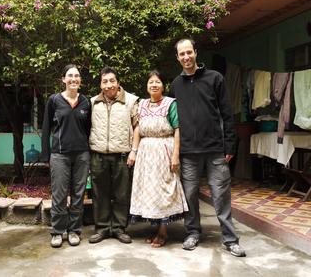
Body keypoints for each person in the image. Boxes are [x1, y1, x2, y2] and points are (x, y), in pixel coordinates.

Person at [170, 38, 246, 257]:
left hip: (215, 150)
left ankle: (230, 239)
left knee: (221, 195)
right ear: (178, 57)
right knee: (190, 194)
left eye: (189, 52)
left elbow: (227, 113)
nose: (186, 57)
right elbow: (174, 121)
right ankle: (193, 232)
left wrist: (230, 144)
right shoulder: (176, 84)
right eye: (181, 54)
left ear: (195, 52)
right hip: (188, 152)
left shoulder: (215, 78)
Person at [127, 70, 188, 248]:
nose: (154, 85)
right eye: (151, 82)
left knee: (163, 190)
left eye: (157, 82)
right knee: (149, 191)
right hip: (146, 154)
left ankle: (163, 232)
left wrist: (176, 155)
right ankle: (156, 229)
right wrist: (134, 151)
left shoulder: (171, 104)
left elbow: (177, 129)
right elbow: (137, 129)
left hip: (164, 151)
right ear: (147, 86)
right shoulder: (142, 104)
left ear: (163, 85)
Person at [42, 64, 91, 248]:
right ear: (63, 79)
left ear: (80, 80)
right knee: (59, 195)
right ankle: (57, 231)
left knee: (78, 195)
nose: (73, 79)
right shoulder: (54, 101)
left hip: (82, 156)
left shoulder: (85, 102)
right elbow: (46, 128)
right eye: (70, 76)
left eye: (77, 76)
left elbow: (88, 130)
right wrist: (46, 155)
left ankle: (74, 231)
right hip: (59, 155)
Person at [88, 66, 139, 244]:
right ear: (100, 84)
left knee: (122, 193)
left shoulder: (131, 101)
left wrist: (134, 150)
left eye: (112, 81)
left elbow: (137, 126)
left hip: (122, 155)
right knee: (99, 192)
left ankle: (118, 228)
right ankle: (102, 228)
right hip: (98, 154)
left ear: (118, 82)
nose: (108, 85)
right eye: (104, 81)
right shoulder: (93, 102)